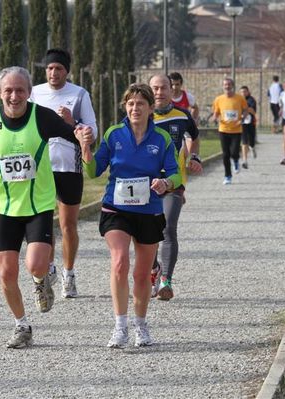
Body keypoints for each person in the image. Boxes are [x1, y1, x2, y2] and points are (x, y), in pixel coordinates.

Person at [0, 66, 92, 349]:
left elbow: (72, 135)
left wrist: (83, 136)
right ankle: (21, 325)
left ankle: (43, 279)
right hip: (5, 208)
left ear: (29, 93)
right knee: (6, 273)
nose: (14, 96)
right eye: (8, 90)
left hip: (38, 205)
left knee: (35, 264)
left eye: (20, 90)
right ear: (0, 93)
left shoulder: (41, 117)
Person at [78, 83, 182, 348]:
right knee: (120, 262)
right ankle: (120, 326)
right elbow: (94, 170)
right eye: (131, 103)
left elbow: (175, 173)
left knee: (141, 273)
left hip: (148, 210)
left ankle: (141, 324)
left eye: (141, 104)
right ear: (125, 107)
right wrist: (85, 148)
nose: (135, 108)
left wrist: (165, 184)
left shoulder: (162, 139)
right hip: (117, 208)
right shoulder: (114, 135)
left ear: (150, 109)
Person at [29, 48, 98, 299]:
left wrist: (73, 123)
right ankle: (49, 269)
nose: (53, 73)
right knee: (44, 224)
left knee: (68, 225)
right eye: (49, 68)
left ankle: (69, 274)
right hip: (40, 169)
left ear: (67, 71)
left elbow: (93, 131)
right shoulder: (34, 93)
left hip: (69, 166)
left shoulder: (79, 94)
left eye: (58, 68)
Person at [148, 74, 202, 301]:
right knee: (147, 234)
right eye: (154, 88)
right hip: (145, 184)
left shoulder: (182, 116)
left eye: (163, 88)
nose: (159, 93)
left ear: (172, 91)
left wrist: (195, 157)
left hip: (174, 183)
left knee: (168, 229)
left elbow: (195, 137)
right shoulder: (138, 114)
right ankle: (153, 270)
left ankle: (165, 281)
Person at [212, 78, 248, 185]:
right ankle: (228, 176)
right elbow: (216, 113)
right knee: (225, 154)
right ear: (223, 86)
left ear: (232, 86)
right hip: (223, 129)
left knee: (234, 152)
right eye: (225, 84)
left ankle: (236, 160)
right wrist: (215, 118)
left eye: (229, 84)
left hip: (236, 130)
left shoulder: (240, 98)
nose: (227, 86)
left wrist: (241, 119)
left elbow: (246, 110)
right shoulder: (219, 99)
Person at [239, 85, 257, 169]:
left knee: (251, 140)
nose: (243, 93)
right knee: (244, 141)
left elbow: (253, 111)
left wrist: (245, 108)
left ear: (248, 92)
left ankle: (252, 148)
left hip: (251, 123)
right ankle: (244, 161)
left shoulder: (251, 100)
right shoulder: (237, 100)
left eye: (245, 92)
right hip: (242, 123)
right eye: (242, 92)